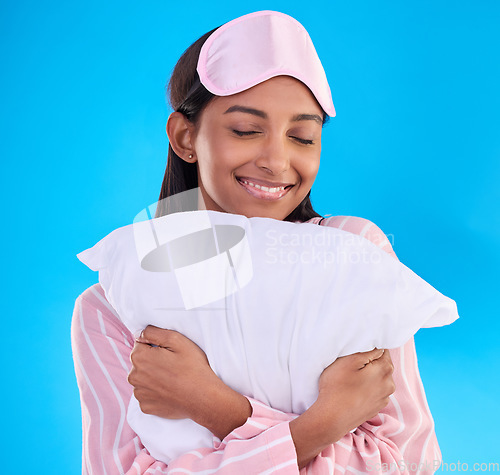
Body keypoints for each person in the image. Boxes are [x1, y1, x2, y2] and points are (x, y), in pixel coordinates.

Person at [72, 10, 442, 474]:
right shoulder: (112, 309)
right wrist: (322, 425)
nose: (277, 160)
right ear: (185, 137)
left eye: (302, 137)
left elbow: (406, 461)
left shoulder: (352, 255)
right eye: (246, 130)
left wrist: (214, 407)